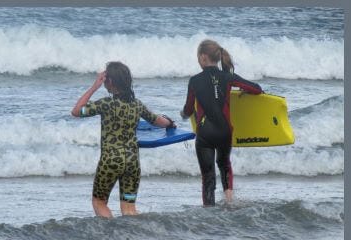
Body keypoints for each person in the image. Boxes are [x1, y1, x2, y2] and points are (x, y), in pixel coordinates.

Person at [71, 61, 176, 218]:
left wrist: (94, 87)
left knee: (99, 202)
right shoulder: (136, 105)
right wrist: (171, 122)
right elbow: (157, 121)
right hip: (132, 163)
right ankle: (131, 237)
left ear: (110, 82)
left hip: (111, 162)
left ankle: (111, 236)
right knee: (129, 206)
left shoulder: (106, 103)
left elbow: (76, 111)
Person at [180, 39, 262, 206]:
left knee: (208, 176)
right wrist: (243, 92)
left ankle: (209, 211)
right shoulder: (228, 77)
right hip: (225, 131)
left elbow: (188, 110)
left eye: (198, 57)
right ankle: (230, 202)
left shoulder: (194, 81)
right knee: (224, 165)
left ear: (203, 57)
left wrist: (182, 114)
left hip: (205, 134)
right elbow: (256, 88)